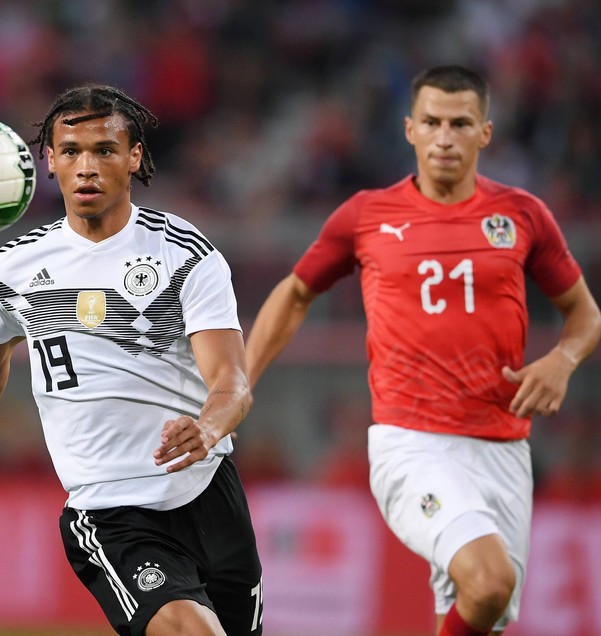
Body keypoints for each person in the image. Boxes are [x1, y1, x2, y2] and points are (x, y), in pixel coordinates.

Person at [245, 65, 601, 636]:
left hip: (504, 449)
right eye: (432, 122)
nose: (444, 137)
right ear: (409, 129)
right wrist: (241, 384)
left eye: (460, 123)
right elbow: (293, 294)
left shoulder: (523, 215)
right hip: (413, 445)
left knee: (477, 613)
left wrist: (562, 359)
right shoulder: (367, 215)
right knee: (489, 579)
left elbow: (584, 313)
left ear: (485, 132)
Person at [0, 84, 263, 636]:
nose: (87, 166)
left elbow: (232, 380)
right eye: (72, 150)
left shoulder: (184, 255)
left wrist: (207, 426)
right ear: (50, 160)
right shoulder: (15, 269)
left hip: (210, 495)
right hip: (109, 512)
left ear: (133, 158)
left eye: (104, 150)